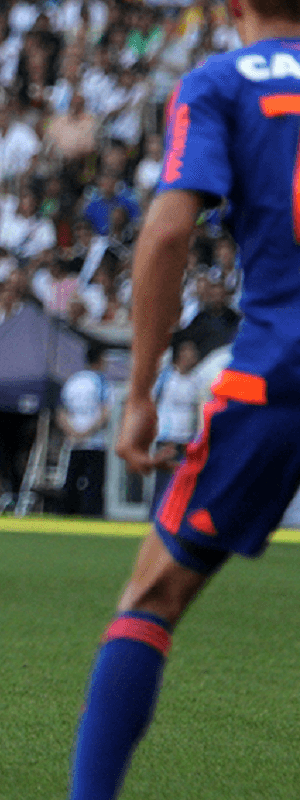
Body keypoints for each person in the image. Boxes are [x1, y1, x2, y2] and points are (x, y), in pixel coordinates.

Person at [68, 2, 300, 797]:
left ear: (234, 5)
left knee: (152, 595)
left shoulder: (218, 83)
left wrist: (140, 392)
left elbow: (167, 235)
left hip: (281, 370)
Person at [148, 337, 202, 517]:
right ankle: (155, 519)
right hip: (167, 437)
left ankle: (178, 520)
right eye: (190, 351)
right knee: (163, 484)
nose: (194, 355)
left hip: (186, 439)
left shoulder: (196, 379)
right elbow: (153, 402)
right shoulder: (166, 377)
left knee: (184, 484)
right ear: (180, 355)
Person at [56, 343, 111, 517]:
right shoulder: (101, 382)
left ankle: (67, 514)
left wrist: (72, 432)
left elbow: (60, 412)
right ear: (100, 361)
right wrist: (87, 432)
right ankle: (90, 515)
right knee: (93, 483)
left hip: (74, 441)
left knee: (71, 480)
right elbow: (105, 413)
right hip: (94, 442)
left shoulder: (73, 381)